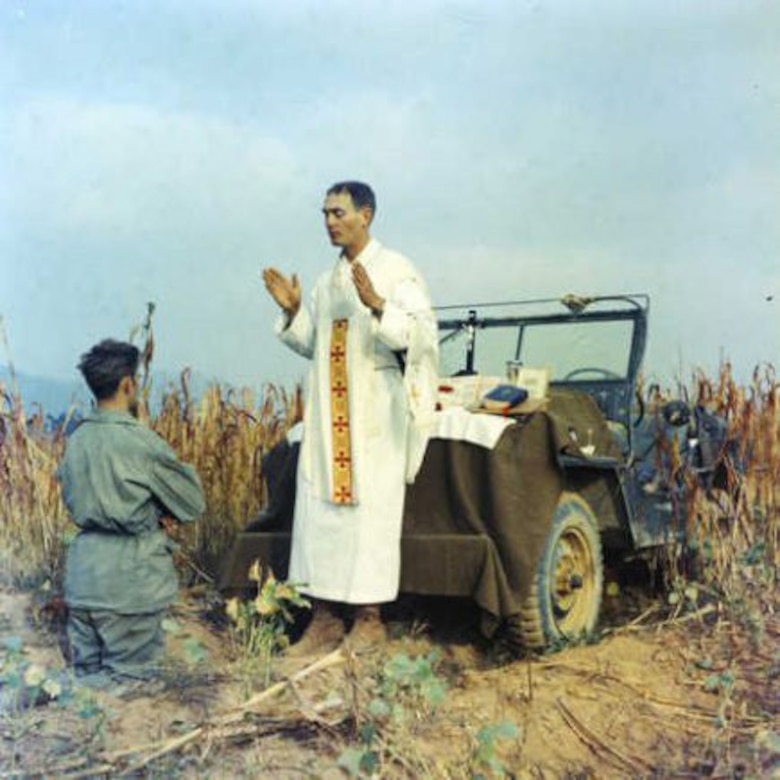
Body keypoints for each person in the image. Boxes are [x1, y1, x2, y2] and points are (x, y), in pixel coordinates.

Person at [262, 181, 438, 654]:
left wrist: (379, 305)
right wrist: (294, 309)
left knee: (369, 516)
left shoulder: (397, 270)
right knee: (321, 512)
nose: (329, 222)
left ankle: (368, 621)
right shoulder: (325, 282)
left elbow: (422, 336)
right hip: (327, 415)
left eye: (338, 212)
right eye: (324, 214)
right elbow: (309, 343)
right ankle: (323, 620)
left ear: (367, 215)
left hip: (373, 415)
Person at [57, 339, 205, 690]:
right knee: (133, 691)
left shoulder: (76, 440)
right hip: (129, 587)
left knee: (86, 687)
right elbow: (192, 503)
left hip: (82, 584)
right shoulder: (141, 442)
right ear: (128, 384)